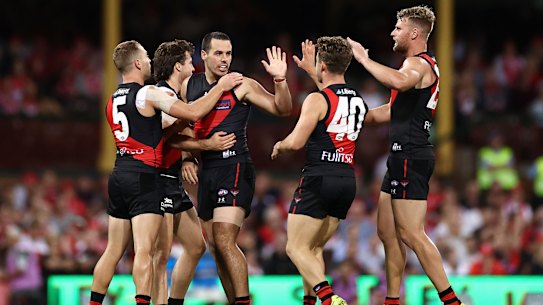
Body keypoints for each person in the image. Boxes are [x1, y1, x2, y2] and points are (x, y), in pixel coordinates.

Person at [89, 40, 243, 305]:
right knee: (149, 253)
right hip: (149, 176)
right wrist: (221, 88)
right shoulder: (150, 93)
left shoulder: (112, 100)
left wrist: (184, 150)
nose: (149, 61)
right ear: (137, 63)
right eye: (145, 57)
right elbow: (192, 113)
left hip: (121, 172)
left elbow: (154, 133)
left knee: (116, 249)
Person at [347, 5, 465, 305]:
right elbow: (390, 110)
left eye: (397, 28)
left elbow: (399, 82)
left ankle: (452, 301)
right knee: (387, 232)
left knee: (412, 234)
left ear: (414, 33)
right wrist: (350, 116)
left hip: (411, 155)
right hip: (402, 156)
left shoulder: (417, 65)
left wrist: (363, 59)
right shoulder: (416, 67)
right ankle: (392, 299)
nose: (392, 32)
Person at [180, 31, 292, 305]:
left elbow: (283, 109)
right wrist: (186, 157)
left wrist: (280, 80)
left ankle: (243, 301)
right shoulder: (187, 87)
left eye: (228, 53)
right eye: (218, 53)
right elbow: (182, 125)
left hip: (235, 166)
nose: (225, 59)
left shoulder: (242, 85)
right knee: (216, 247)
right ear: (203, 56)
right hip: (208, 172)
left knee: (225, 238)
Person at [272, 36, 367, 305]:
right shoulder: (358, 100)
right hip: (347, 181)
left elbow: (297, 141)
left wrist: (281, 145)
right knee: (313, 249)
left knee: (295, 247)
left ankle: (328, 298)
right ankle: (310, 301)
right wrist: (312, 71)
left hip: (319, 178)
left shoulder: (316, 99)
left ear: (323, 65)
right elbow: (335, 97)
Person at [150, 39, 237, 305]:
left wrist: (189, 157)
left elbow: (183, 128)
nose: (194, 65)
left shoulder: (174, 96)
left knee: (196, 246)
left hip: (173, 178)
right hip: (157, 180)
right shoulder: (160, 94)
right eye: (189, 61)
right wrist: (206, 144)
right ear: (179, 66)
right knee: (160, 254)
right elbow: (168, 133)